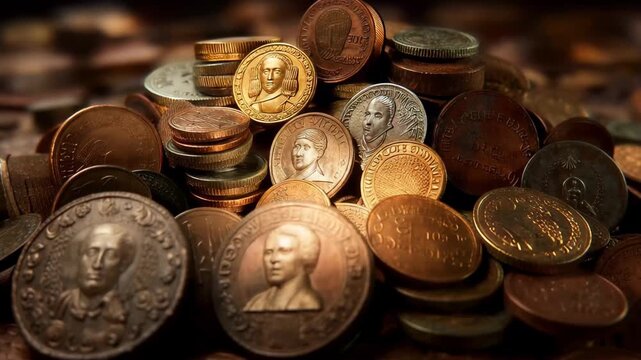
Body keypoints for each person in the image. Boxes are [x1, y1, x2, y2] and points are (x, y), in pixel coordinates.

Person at [46, 223, 136, 351]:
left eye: (110, 254)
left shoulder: (120, 311)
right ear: (80, 257)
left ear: (123, 265)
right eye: (92, 251)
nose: (97, 264)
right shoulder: (62, 303)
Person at [244, 223, 323, 312]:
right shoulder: (256, 302)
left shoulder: (309, 304)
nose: (273, 259)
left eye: (284, 251)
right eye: (268, 252)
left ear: (306, 256)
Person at [360, 95, 395, 160]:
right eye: (368, 114)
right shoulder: (354, 145)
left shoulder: (393, 151)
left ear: (389, 121)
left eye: (377, 116)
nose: (368, 122)